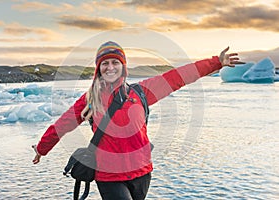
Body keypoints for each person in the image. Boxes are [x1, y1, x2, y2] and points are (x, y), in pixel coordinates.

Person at [32, 41, 244, 200]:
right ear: (98, 68)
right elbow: (62, 125)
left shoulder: (141, 93)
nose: (110, 67)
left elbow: (178, 77)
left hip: (142, 172)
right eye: (105, 63)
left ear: (123, 67)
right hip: (108, 174)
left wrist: (215, 63)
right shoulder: (90, 99)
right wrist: (42, 148)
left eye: (115, 62)